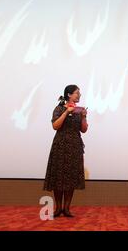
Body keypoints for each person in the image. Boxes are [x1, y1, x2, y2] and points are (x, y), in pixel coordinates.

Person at [44, 85, 88, 218]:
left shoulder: (80, 110)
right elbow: (55, 126)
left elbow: (84, 129)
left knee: (71, 177)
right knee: (58, 176)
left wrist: (84, 117)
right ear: (69, 95)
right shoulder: (59, 108)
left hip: (74, 146)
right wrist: (66, 112)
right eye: (77, 93)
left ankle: (67, 208)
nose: (79, 95)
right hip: (60, 145)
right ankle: (58, 208)